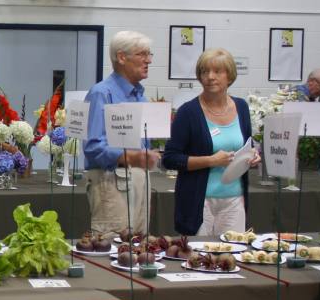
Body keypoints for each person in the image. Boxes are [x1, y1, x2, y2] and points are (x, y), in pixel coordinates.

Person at [162, 49, 260, 235]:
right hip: (199, 202)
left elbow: (247, 145)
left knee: (232, 257)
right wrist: (211, 161)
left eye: (217, 71)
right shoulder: (188, 112)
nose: (210, 77)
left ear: (229, 76)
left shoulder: (242, 107)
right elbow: (170, 159)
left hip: (234, 200)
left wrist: (253, 156)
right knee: (200, 260)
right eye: (204, 72)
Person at [84, 31, 161, 236]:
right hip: (112, 181)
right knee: (111, 245)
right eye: (142, 54)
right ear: (121, 57)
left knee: (139, 247)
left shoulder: (142, 98)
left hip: (140, 180)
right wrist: (132, 157)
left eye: (149, 54)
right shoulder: (101, 93)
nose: (149, 60)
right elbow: (92, 147)